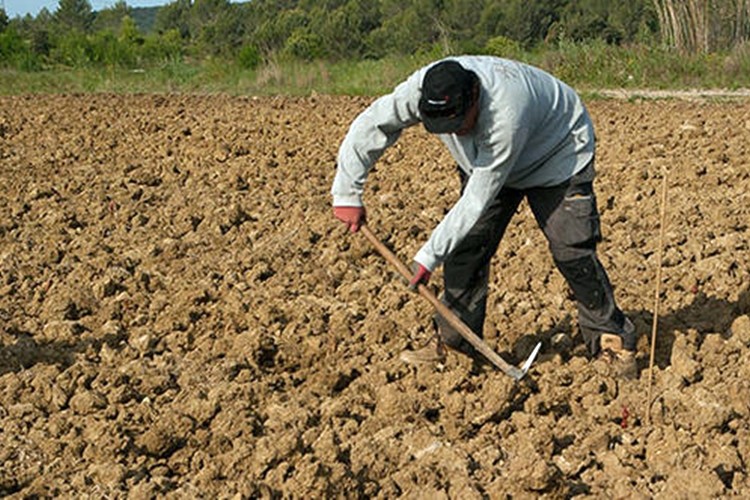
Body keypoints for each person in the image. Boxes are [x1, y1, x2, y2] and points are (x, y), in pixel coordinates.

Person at [331, 56, 637, 379]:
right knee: (466, 247)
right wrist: (347, 192)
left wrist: (427, 257)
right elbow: (373, 122)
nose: (456, 134)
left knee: (572, 249)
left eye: (460, 124)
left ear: (475, 97)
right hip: (485, 162)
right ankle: (455, 345)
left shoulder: (507, 112)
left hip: (557, 154)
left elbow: (477, 198)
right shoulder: (422, 90)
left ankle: (613, 339)